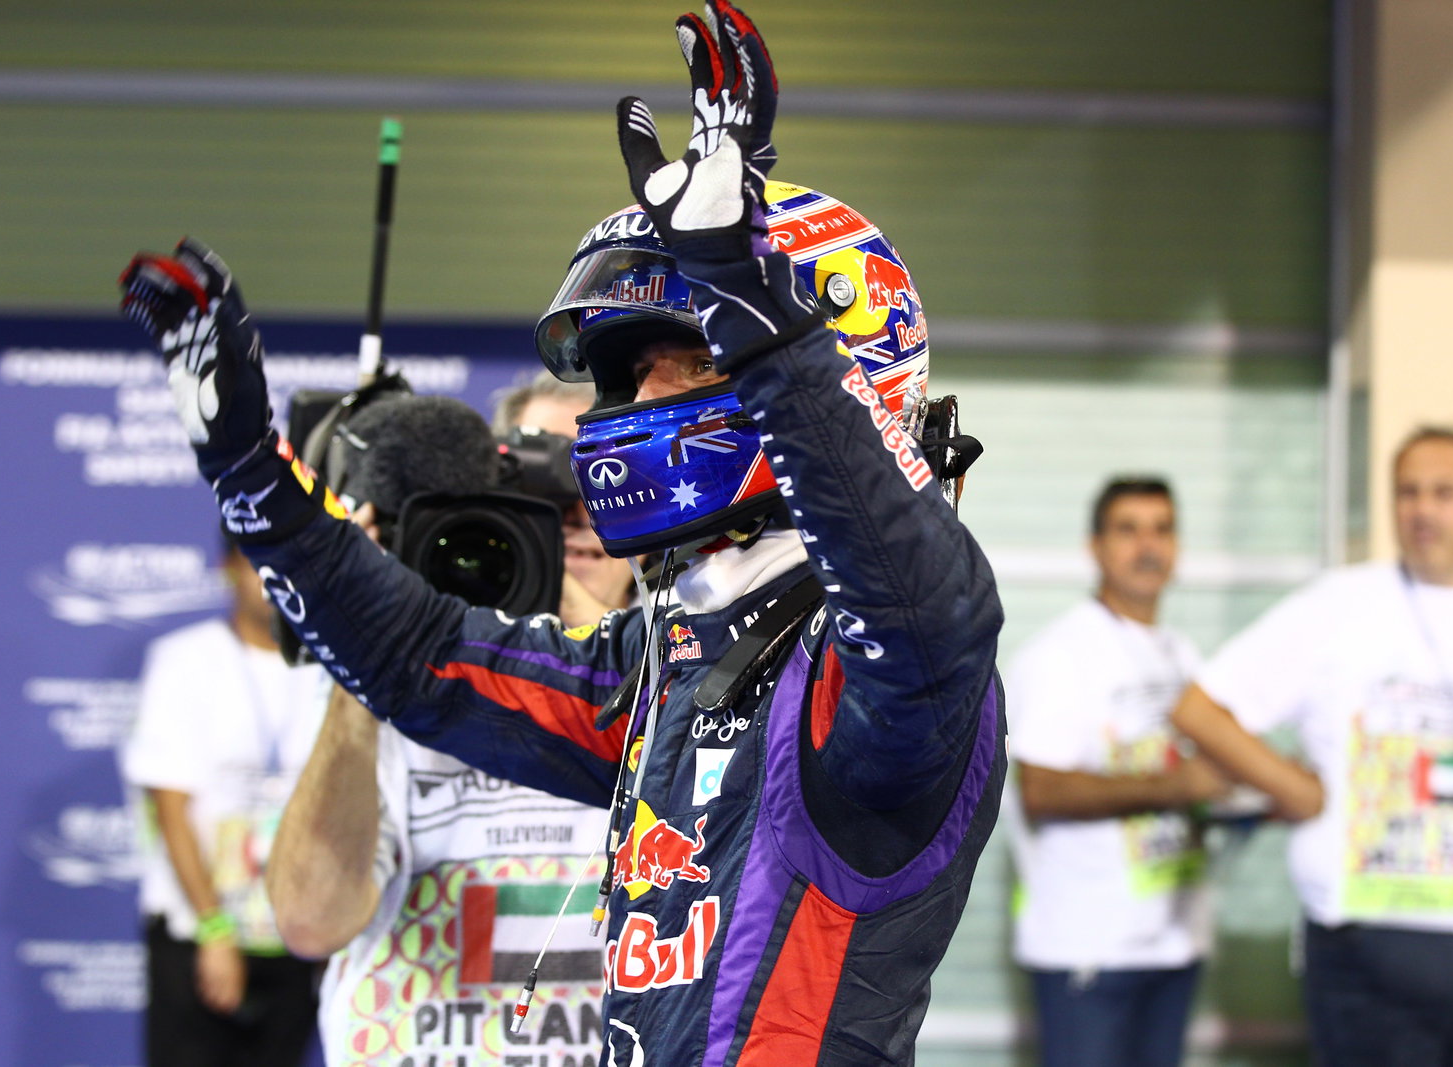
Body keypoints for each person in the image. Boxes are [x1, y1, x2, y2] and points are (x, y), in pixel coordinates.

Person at [115, 3, 1005, 1064]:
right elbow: (422, 657)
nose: (628, 400)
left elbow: (924, 608)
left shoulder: (875, 672)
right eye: (620, 371)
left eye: (678, 354)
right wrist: (256, 477)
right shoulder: (675, 656)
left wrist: (749, 301)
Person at [1170, 426, 1453, 1066]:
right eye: (1407, 492)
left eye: (1444, 493)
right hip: (1377, 960)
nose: (1422, 509)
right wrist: (1290, 787)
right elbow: (1199, 710)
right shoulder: (1341, 605)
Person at [267, 390, 618, 1067]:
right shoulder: (387, 688)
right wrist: (364, 640)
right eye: (530, 498)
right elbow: (311, 918)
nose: (564, 518)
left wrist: (572, 610)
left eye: (585, 492)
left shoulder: (685, 687)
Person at [1006, 477, 1226, 1067]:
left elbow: (1205, 773)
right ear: (1096, 546)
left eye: (1162, 529)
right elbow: (1042, 790)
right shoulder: (1060, 656)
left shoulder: (1183, 655)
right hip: (1090, 947)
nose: (1147, 546)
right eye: (1128, 530)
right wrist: (1176, 787)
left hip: (1174, 941)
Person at [121, 531, 328, 1067]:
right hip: (199, 934)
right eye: (255, 564)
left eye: (285, 564)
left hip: (296, 939)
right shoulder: (185, 661)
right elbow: (170, 810)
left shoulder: (332, 669)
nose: (270, 582)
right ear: (228, 569)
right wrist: (215, 931)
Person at [492, 370, 637, 629]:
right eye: (541, 473)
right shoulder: (456, 629)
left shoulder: (705, 628)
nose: (580, 512)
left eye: (603, 474)